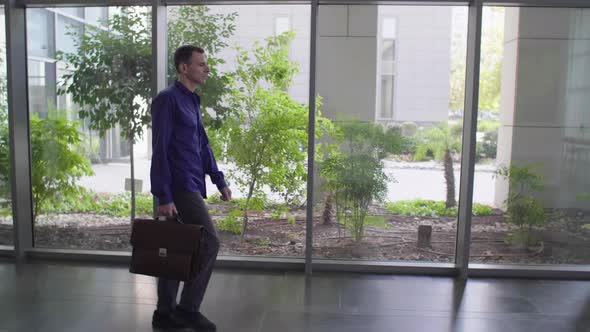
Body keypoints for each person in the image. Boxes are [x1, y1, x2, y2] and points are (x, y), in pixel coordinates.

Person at [150, 45, 231, 331]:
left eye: (205, 63)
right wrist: (163, 195)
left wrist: (218, 179)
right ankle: (187, 309)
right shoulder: (167, 100)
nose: (207, 68)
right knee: (209, 242)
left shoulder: (192, 101)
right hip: (178, 186)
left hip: (192, 183)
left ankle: (164, 313)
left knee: (175, 247)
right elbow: (159, 148)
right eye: (201, 64)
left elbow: (202, 144)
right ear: (184, 68)